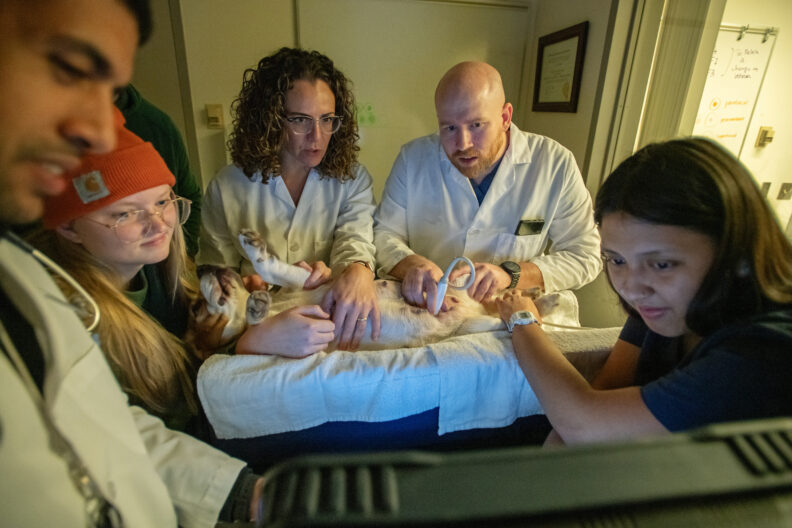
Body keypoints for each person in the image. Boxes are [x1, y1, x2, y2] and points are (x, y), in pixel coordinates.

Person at [0, 1, 263, 525]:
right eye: (69, 72)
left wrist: (237, 327)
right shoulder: (71, 299)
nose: (99, 131)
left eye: (165, 203)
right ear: (70, 228)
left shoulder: (31, 274)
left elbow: (104, 424)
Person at [490, 138, 792, 446]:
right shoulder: (665, 308)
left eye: (661, 264)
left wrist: (523, 319)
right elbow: (604, 393)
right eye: (617, 260)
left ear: (737, 251)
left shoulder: (766, 353)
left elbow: (584, 424)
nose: (631, 289)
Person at [374, 61, 601, 312]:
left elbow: (585, 255)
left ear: (505, 117)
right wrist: (411, 264)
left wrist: (512, 274)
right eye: (449, 128)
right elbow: (383, 233)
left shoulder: (554, 164)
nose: (462, 144)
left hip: (507, 314)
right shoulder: (412, 159)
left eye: (476, 125)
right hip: (430, 309)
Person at [199, 47, 378, 351]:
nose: (317, 136)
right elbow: (214, 278)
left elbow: (355, 242)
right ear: (271, 121)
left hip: (327, 326)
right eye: (300, 120)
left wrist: (356, 269)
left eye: (327, 120)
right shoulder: (228, 187)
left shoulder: (352, 179)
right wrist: (243, 288)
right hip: (261, 336)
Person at [115, 83, 203, 256]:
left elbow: (190, 196)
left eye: (162, 202)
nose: (159, 225)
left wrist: (182, 260)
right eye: (126, 213)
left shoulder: (157, 126)